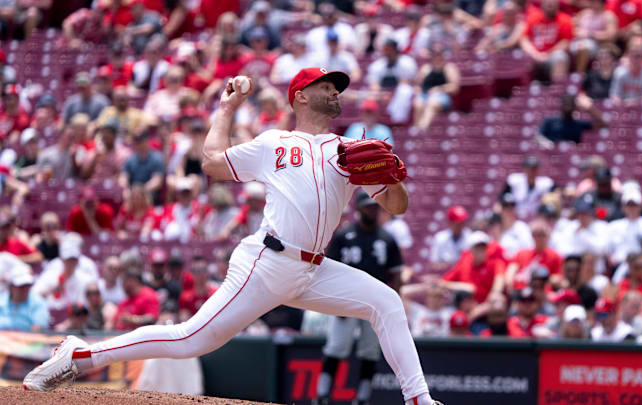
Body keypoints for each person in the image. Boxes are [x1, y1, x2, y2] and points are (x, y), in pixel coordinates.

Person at [24, 68, 443, 405]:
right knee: (191, 339)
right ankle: (79, 355)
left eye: (338, 88)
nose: (336, 92)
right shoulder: (274, 143)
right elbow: (210, 164)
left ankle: (419, 398)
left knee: (386, 301)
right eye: (327, 86)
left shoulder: (348, 151)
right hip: (267, 262)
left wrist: (393, 180)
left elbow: (396, 206)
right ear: (300, 96)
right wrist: (227, 108)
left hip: (313, 270)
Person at [313, 192, 404, 405]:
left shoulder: (386, 238)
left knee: (370, 350)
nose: (372, 210)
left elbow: (397, 274)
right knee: (336, 346)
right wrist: (334, 303)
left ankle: (362, 398)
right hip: (345, 299)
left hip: (375, 302)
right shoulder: (345, 235)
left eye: (375, 207)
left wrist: (392, 302)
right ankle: (322, 395)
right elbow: (327, 270)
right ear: (359, 208)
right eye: (368, 206)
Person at [32, 233, 99, 312]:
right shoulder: (51, 273)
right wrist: (52, 289)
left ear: (77, 260)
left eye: (73, 259)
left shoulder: (85, 279)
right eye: (68, 259)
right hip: (52, 315)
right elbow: (34, 295)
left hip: (77, 317)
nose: (71, 263)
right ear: (62, 259)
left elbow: (90, 303)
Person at [441, 231, 504, 303]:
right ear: (470, 250)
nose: (481, 251)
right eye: (477, 248)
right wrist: (464, 287)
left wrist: (492, 297)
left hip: (487, 304)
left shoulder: (494, 261)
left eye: (483, 248)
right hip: (466, 304)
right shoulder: (464, 263)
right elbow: (444, 282)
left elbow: (499, 281)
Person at [520, 0, 573, 83]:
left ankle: (557, 90)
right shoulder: (533, 18)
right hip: (534, 56)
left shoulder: (565, 20)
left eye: (552, 4)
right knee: (519, 55)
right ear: (542, 5)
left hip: (552, 56)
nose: (550, 6)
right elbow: (524, 39)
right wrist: (535, 54)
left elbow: (566, 42)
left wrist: (547, 54)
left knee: (560, 56)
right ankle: (521, 92)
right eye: (548, 4)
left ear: (557, 6)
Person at [412, 45, 460, 130]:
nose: (437, 56)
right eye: (435, 54)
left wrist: (438, 89)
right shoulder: (426, 69)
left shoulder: (449, 68)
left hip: (442, 96)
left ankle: (422, 128)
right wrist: (418, 90)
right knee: (418, 103)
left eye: (439, 54)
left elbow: (455, 87)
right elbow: (418, 85)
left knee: (431, 103)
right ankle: (416, 130)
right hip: (425, 94)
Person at [537, 93, 606, 147]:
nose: (568, 107)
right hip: (551, 157)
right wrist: (550, 145)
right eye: (566, 104)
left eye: (570, 104)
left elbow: (604, 124)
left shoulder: (578, 124)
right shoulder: (549, 121)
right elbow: (538, 137)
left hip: (573, 158)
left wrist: (589, 108)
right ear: (562, 105)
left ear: (575, 107)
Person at [609, 37, 642, 105]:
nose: (635, 59)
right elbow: (614, 95)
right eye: (632, 55)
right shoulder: (620, 72)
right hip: (622, 109)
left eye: (638, 56)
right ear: (628, 54)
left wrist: (632, 103)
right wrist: (620, 102)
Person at [429, 205, 471, 271]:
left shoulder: (470, 237)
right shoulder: (440, 237)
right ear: (450, 222)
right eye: (457, 223)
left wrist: (448, 264)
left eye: (462, 223)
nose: (460, 226)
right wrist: (454, 264)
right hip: (445, 276)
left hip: (464, 275)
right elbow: (434, 265)